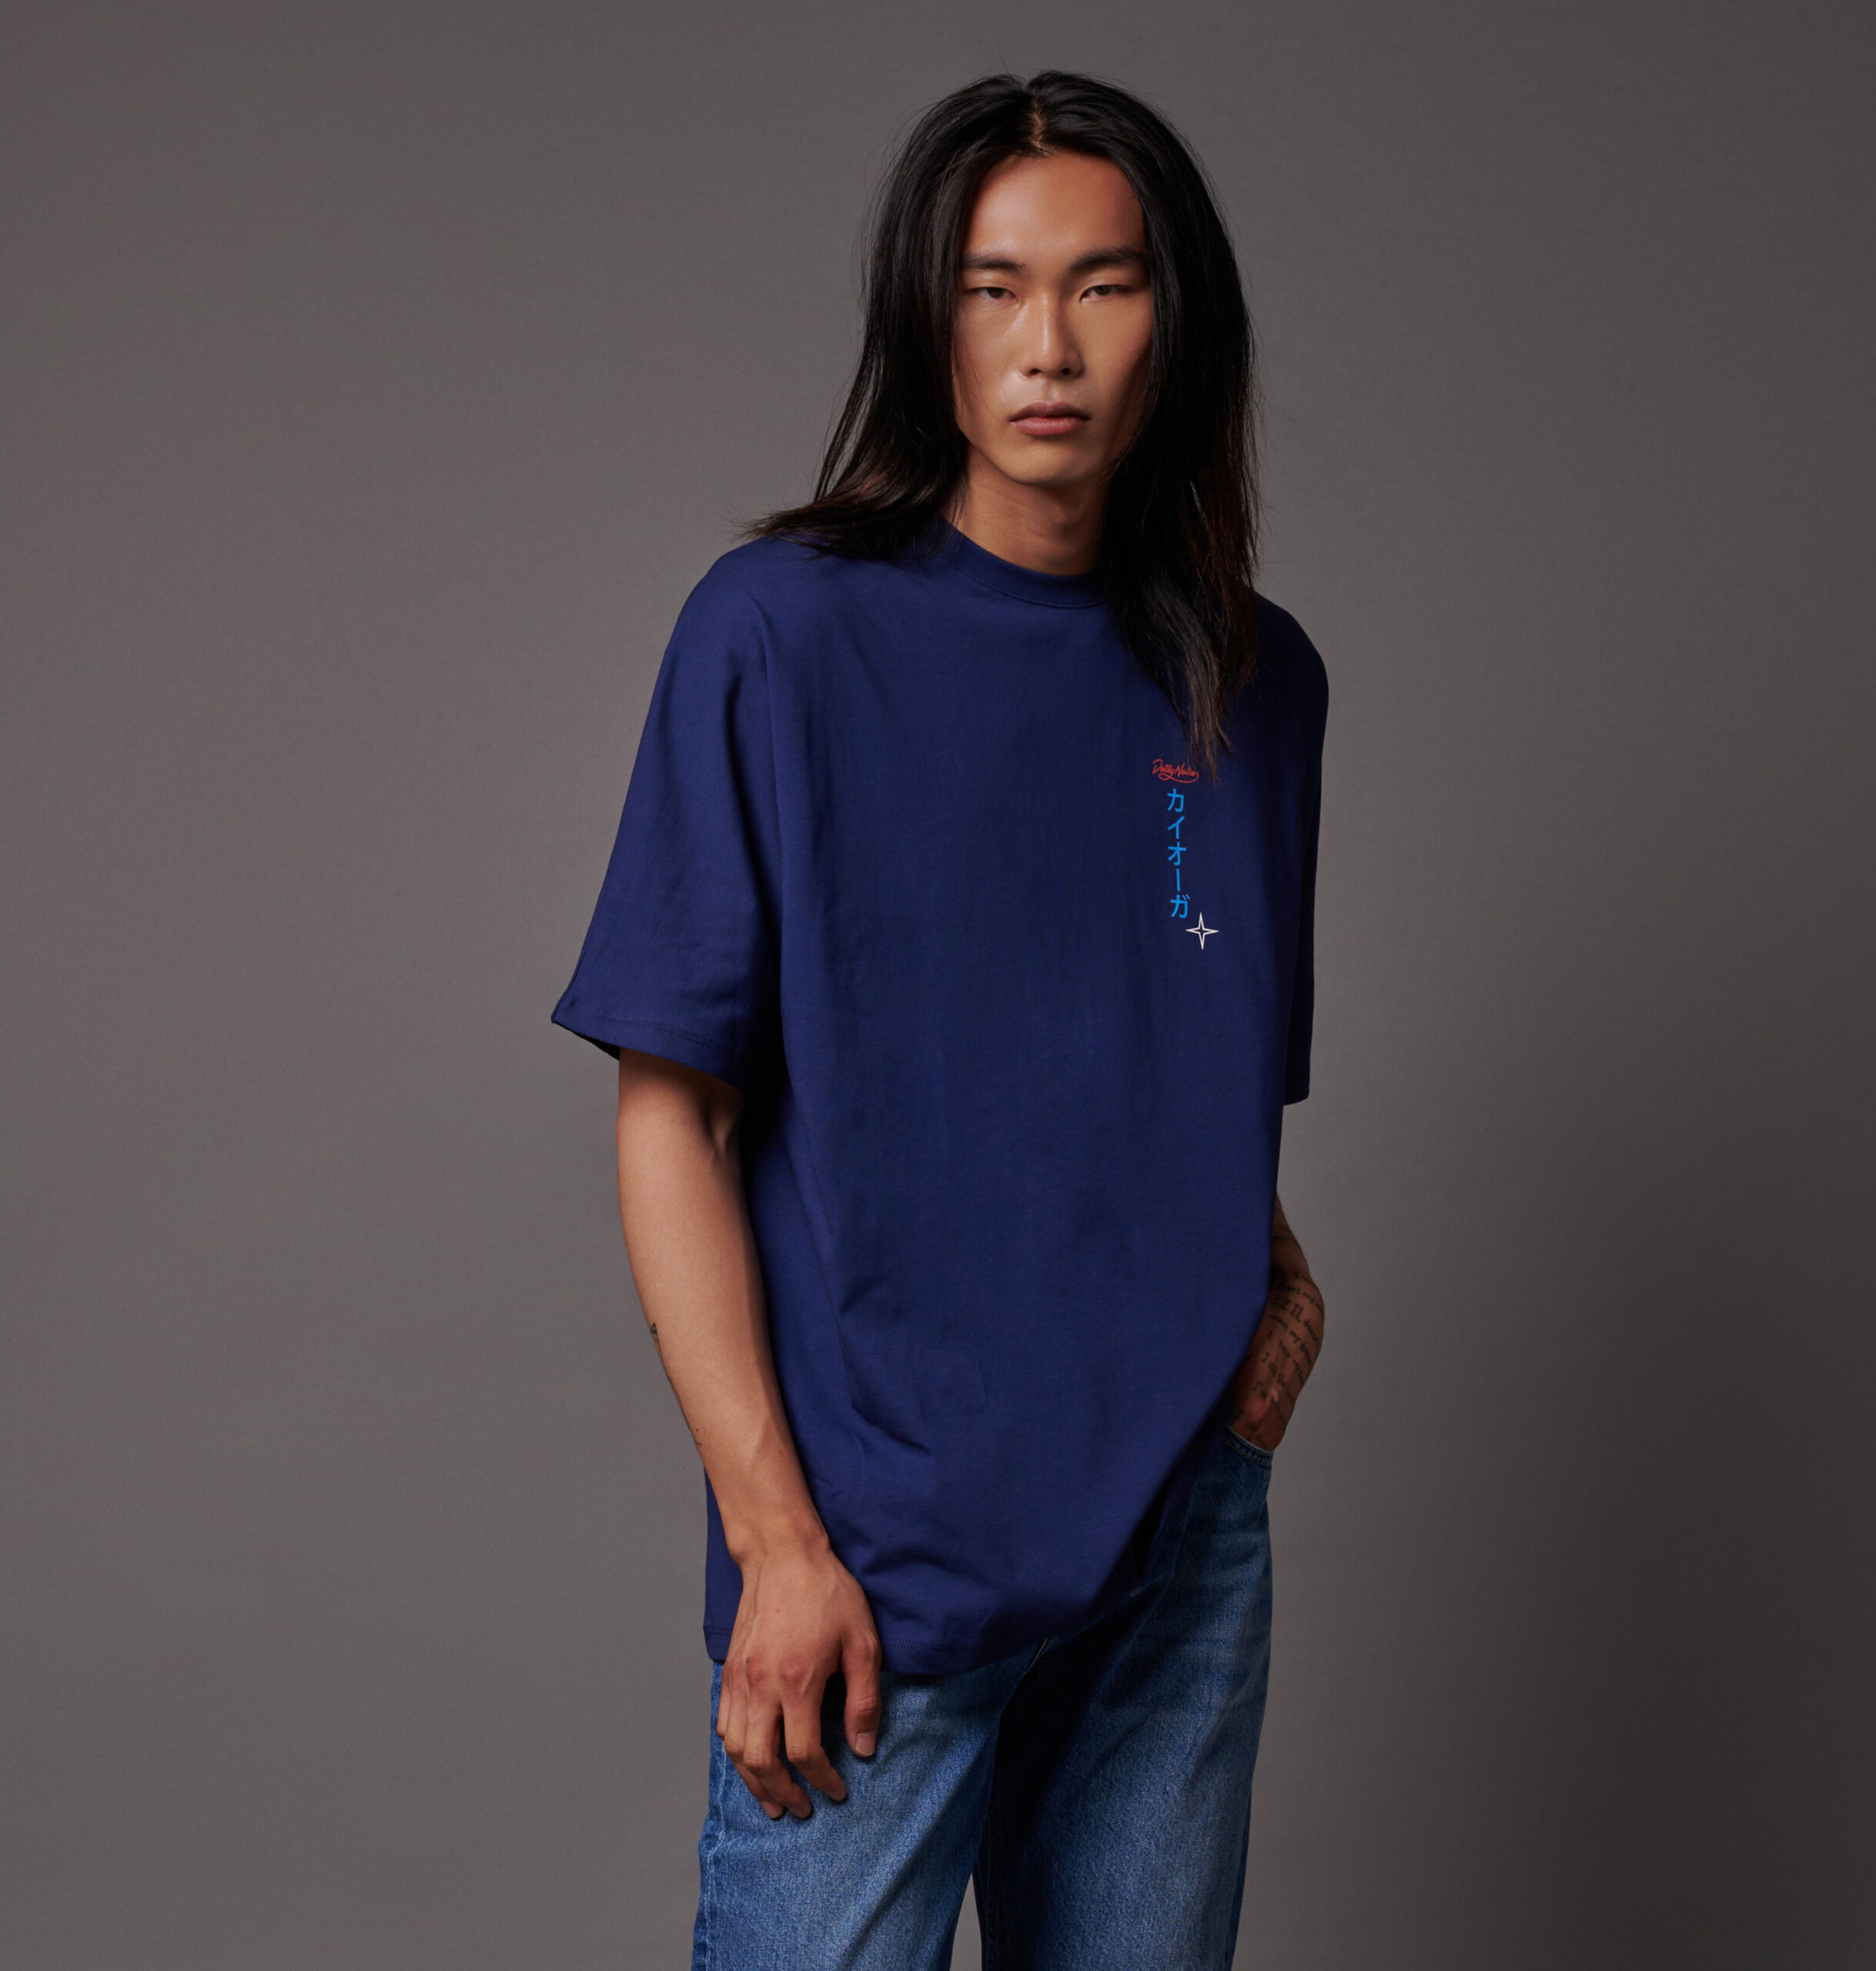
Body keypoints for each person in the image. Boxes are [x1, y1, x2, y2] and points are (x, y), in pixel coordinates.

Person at [552, 69, 1329, 1971]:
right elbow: (670, 1116)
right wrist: (775, 1540)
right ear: (930, 319)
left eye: (1101, 285)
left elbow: (1182, 1068)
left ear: (1174, 320)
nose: (1046, 345)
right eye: (993, 289)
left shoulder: (1255, 679)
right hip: (871, 1559)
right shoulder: (780, 632)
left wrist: (1271, 1298)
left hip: (1172, 1552)